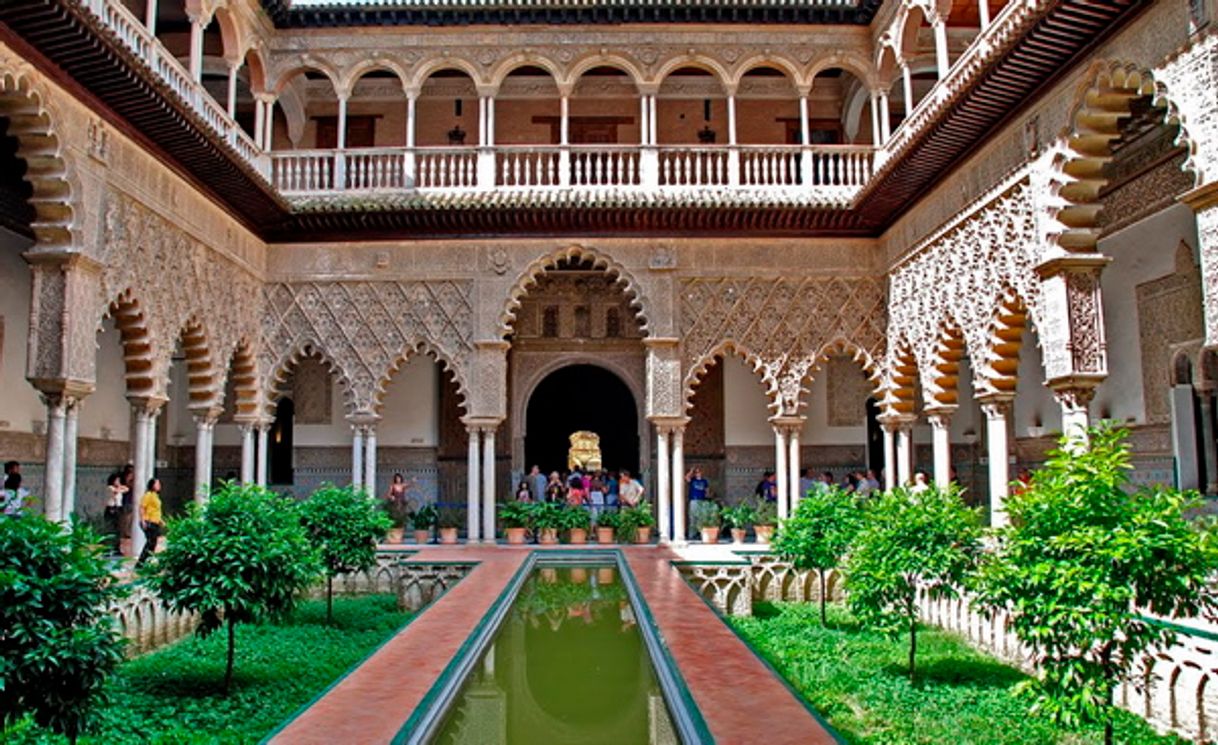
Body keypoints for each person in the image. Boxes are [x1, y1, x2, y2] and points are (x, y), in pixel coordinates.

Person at [137, 478, 164, 566]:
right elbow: (142, 507)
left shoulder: (155, 496)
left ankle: (146, 560)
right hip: (148, 521)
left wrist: (160, 520)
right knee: (150, 542)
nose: (159, 486)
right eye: (157, 484)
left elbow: (156, 510)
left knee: (153, 542)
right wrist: (142, 520)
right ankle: (141, 562)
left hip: (155, 521)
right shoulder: (148, 495)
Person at [105, 472, 128, 554]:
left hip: (119, 508)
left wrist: (120, 486)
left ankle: (117, 548)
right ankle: (107, 548)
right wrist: (119, 488)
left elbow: (126, 489)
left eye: (119, 480)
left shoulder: (120, 487)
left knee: (118, 529)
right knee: (110, 529)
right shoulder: (110, 488)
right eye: (116, 480)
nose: (118, 482)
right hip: (111, 508)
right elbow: (115, 491)